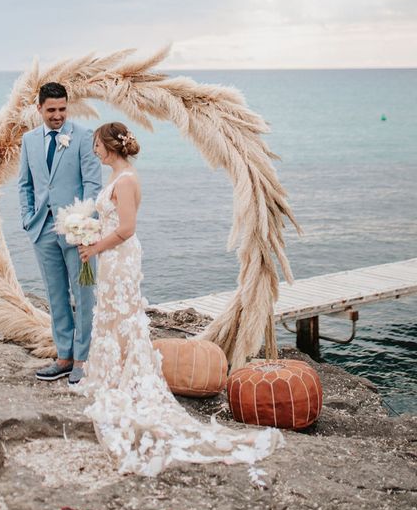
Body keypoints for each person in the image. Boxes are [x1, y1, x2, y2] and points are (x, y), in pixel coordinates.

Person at [77, 122, 283, 480]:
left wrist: (95, 245)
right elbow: (113, 223)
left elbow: (127, 228)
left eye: (96, 144)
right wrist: (89, 233)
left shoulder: (125, 180)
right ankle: (110, 376)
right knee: (111, 316)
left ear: (110, 147)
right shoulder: (118, 176)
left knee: (123, 316)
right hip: (112, 259)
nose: (94, 150)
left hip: (120, 258)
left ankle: (124, 381)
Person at [18, 82, 102, 385]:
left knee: (84, 295)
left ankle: (82, 358)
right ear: (39, 108)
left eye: (62, 109)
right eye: (51, 110)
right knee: (56, 297)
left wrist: (81, 220)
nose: (57, 115)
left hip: (78, 232)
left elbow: (93, 185)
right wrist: (28, 220)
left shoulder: (83, 137)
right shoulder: (28, 141)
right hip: (42, 230)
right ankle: (63, 357)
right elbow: (25, 185)